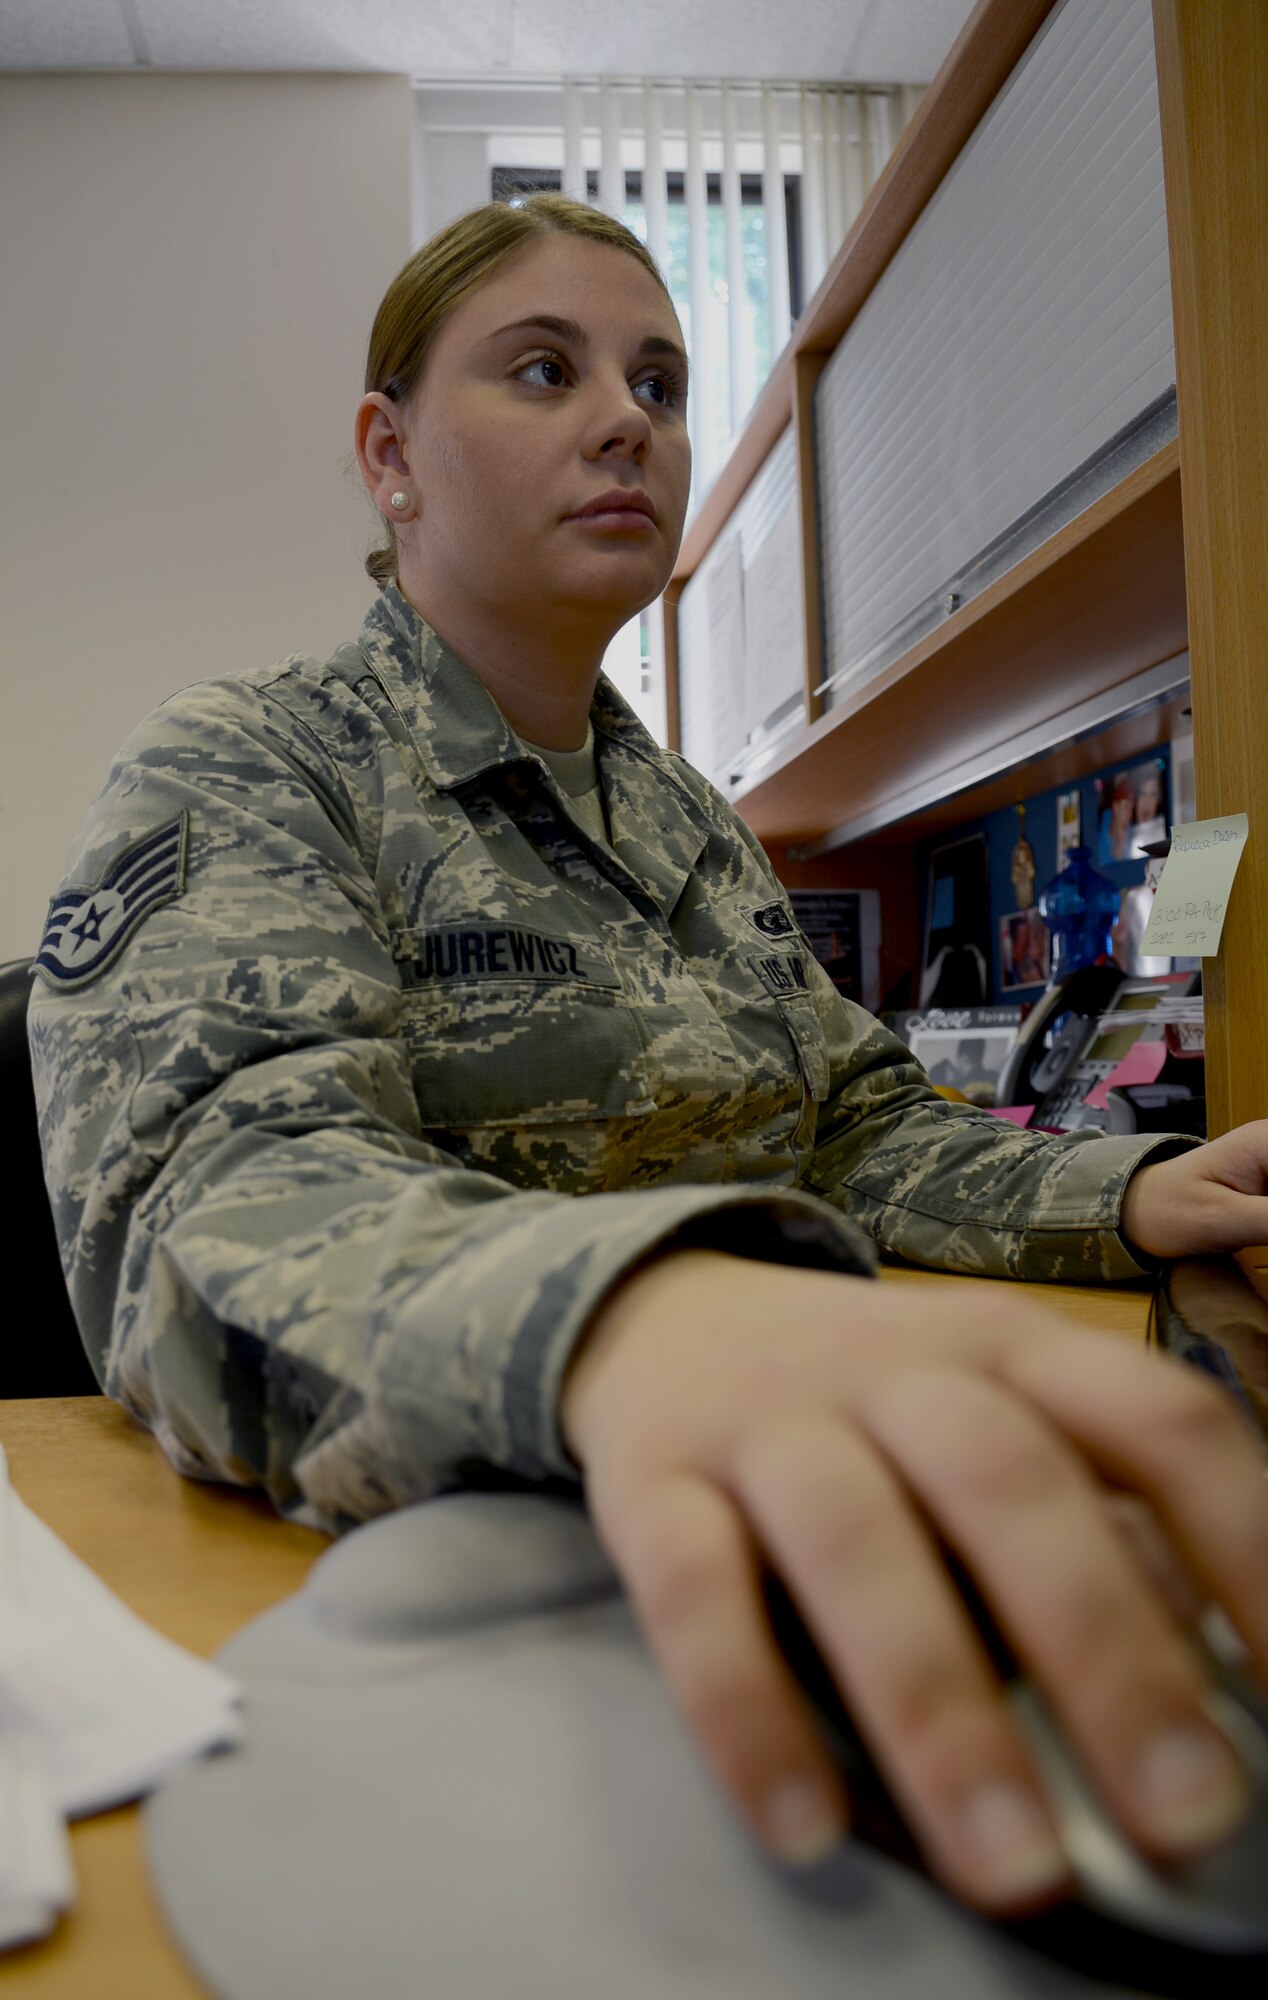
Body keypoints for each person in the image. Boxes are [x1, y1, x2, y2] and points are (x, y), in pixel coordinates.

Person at [28, 194, 1268, 1925]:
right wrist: (631, 1312)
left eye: (663, 382)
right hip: (419, 1587)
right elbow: (212, 1200)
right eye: (546, 370)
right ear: (389, 456)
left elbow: (854, 1125)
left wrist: (1131, 1182)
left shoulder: (686, 815)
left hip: (754, 1505)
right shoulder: (256, 764)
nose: (631, 419)